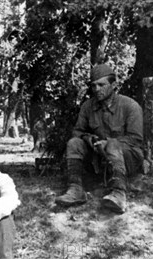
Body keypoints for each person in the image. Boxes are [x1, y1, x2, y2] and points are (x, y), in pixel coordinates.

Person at [55, 64, 144, 213]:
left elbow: (135, 140)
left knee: (113, 145)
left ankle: (119, 193)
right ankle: (75, 189)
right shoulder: (87, 107)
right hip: (99, 159)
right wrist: (88, 138)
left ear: (113, 85)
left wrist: (109, 143)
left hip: (127, 158)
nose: (96, 89)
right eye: (94, 85)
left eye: (101, 85)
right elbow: (77, 132)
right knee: (74, 143)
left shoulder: (130, 106)